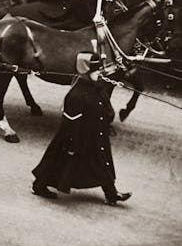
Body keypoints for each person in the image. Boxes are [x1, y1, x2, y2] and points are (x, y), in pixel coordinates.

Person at [32, 53, 132, 206]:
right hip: (76, 137)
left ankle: (111, 194)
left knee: (102, 161)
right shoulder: (76, 95)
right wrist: (72, 144)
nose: (99, 73)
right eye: (96, 71)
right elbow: (70, 124)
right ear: (85, 71)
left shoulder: (95, 86)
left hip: (94, 135)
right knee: (58, 160)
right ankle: (39, 185)